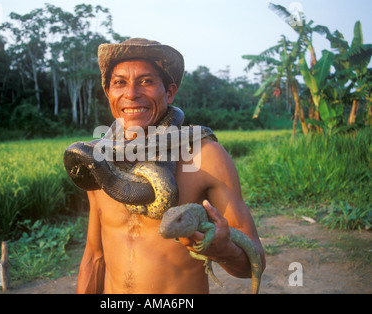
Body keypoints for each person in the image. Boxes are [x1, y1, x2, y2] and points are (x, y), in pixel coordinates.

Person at [76, 38, 266, 294]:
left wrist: (225, 250)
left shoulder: (205, 156)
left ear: (169, 92)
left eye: (146, 81)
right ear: (109, 93)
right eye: (119, 82)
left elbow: (252, 264)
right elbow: (94, 256)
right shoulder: (99, 159)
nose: (131, 93)